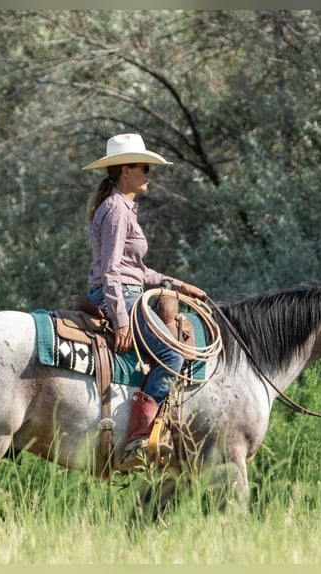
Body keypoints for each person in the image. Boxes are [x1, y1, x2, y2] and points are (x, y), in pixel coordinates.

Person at [82, 133, 206, 470]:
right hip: (119, 296)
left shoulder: (119, 207)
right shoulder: (117, 210)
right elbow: (111, 271)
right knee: (172, 355)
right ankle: (138, 439)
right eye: (144, 167)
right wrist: (120, 318)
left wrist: (179, 286)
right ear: (125, 170)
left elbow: (137, 270)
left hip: (127, 290)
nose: (150, 174)